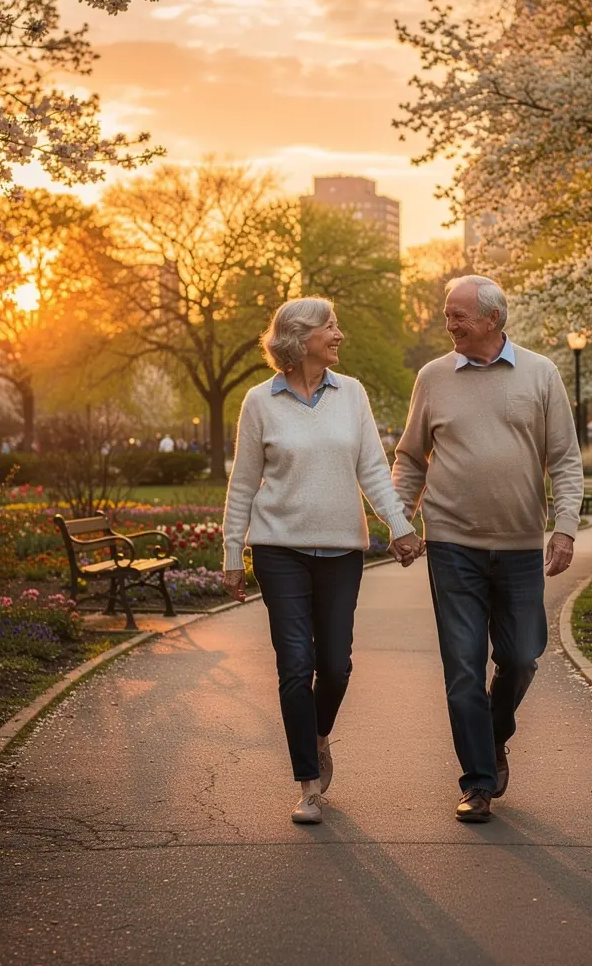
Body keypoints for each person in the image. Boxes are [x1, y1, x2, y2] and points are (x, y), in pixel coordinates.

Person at [222, 298, 423, 826]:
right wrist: (230, 553)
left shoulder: (351, 393)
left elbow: (374, 471)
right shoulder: (259, 402)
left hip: (340, 552)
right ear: (298, 337)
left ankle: (317, 732)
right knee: (295, 666)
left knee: (335, 666)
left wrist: (399, 527)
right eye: (328, 326)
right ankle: (308, 784)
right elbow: (242, 484)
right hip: (278, 550)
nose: (339, 333)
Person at [392, 275, 583, 824]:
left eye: (458, 316)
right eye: (447, 314)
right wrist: (400, 517)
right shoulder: (433, 377)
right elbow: (410, 458)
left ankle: (493, 735)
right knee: (463, 666)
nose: (447, 324)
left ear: (494, 319)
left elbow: (566, 460)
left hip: (521, 545)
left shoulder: (541, 374)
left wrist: (565, 527)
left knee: (521, 657)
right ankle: (477, 780)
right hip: (452, 543)